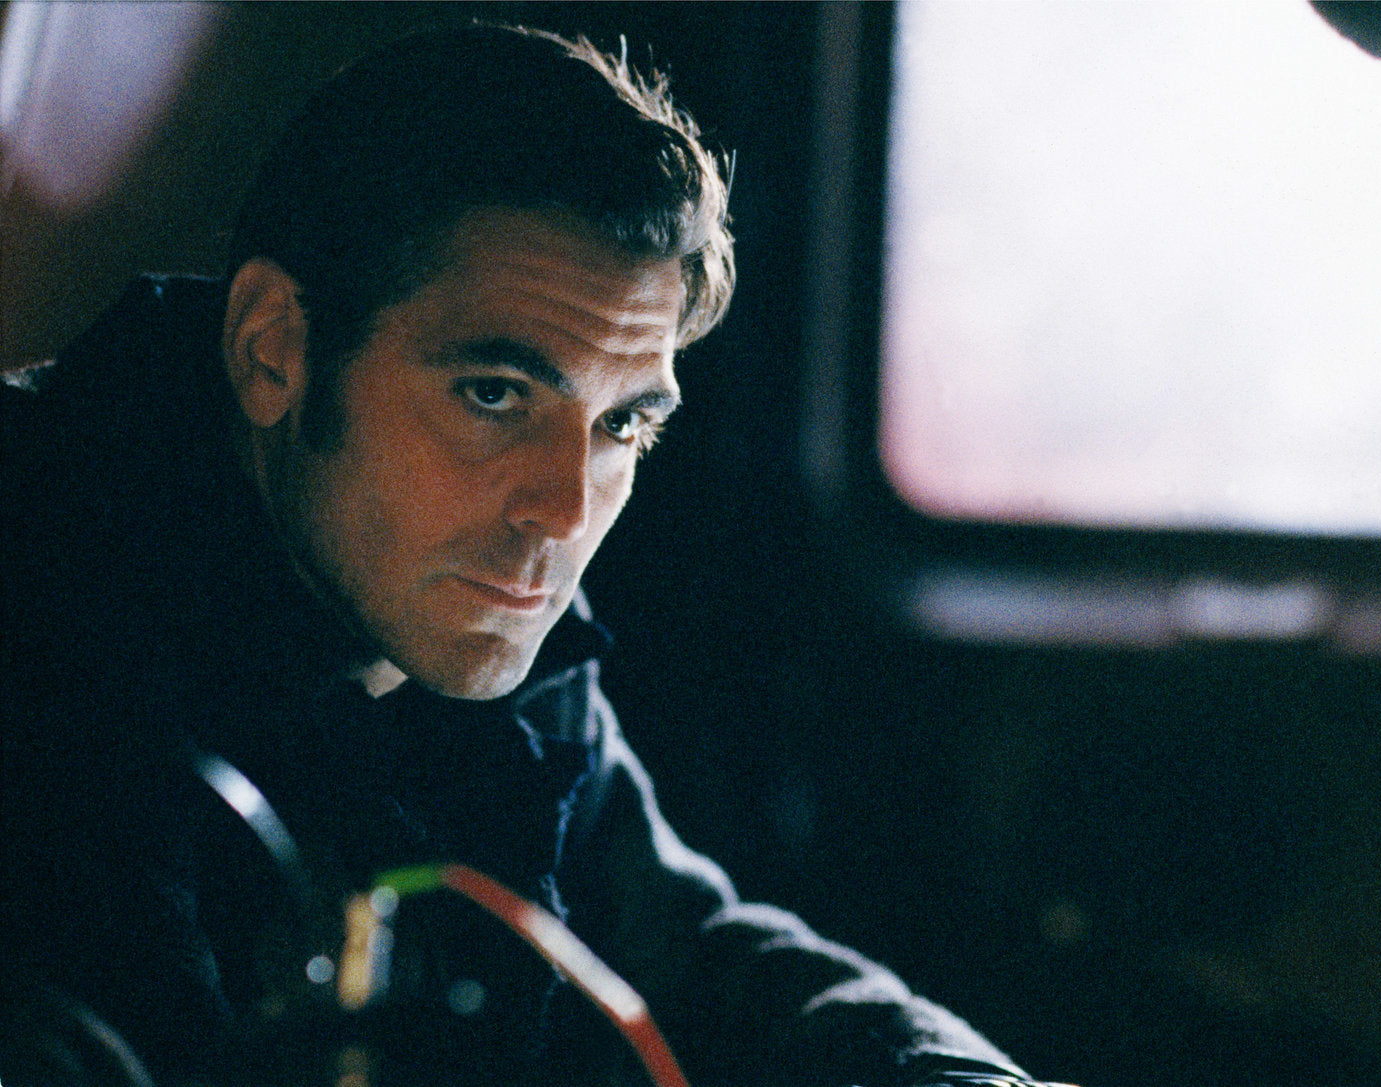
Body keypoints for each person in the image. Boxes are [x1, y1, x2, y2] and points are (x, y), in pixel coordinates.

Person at [0, 25, 1060, 1087]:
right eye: (495, 395)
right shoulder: (46, 589)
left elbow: (679, 947)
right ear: (274, 347)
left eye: (622, 424)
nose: (564, 512)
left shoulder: (462, 595)